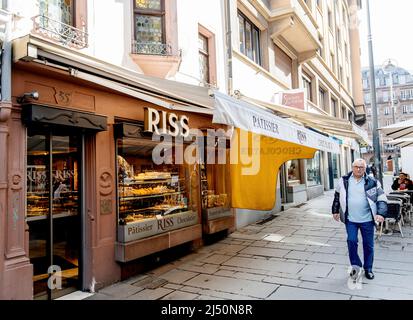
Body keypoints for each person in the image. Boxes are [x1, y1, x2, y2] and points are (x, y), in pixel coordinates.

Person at [332, 159, 387, 281]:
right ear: (352, 167)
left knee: (368, 245)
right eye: (356, 166)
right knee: (351, 241)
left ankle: (368, 268)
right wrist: (335, 210)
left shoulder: (372, 182)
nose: (358, 169)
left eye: (361, 167)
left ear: (365, 168)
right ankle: (356, 267)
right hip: (350, 219)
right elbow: (337, 195)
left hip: (367, 220)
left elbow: (382, 198)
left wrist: (381, 213)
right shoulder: (343, 180)